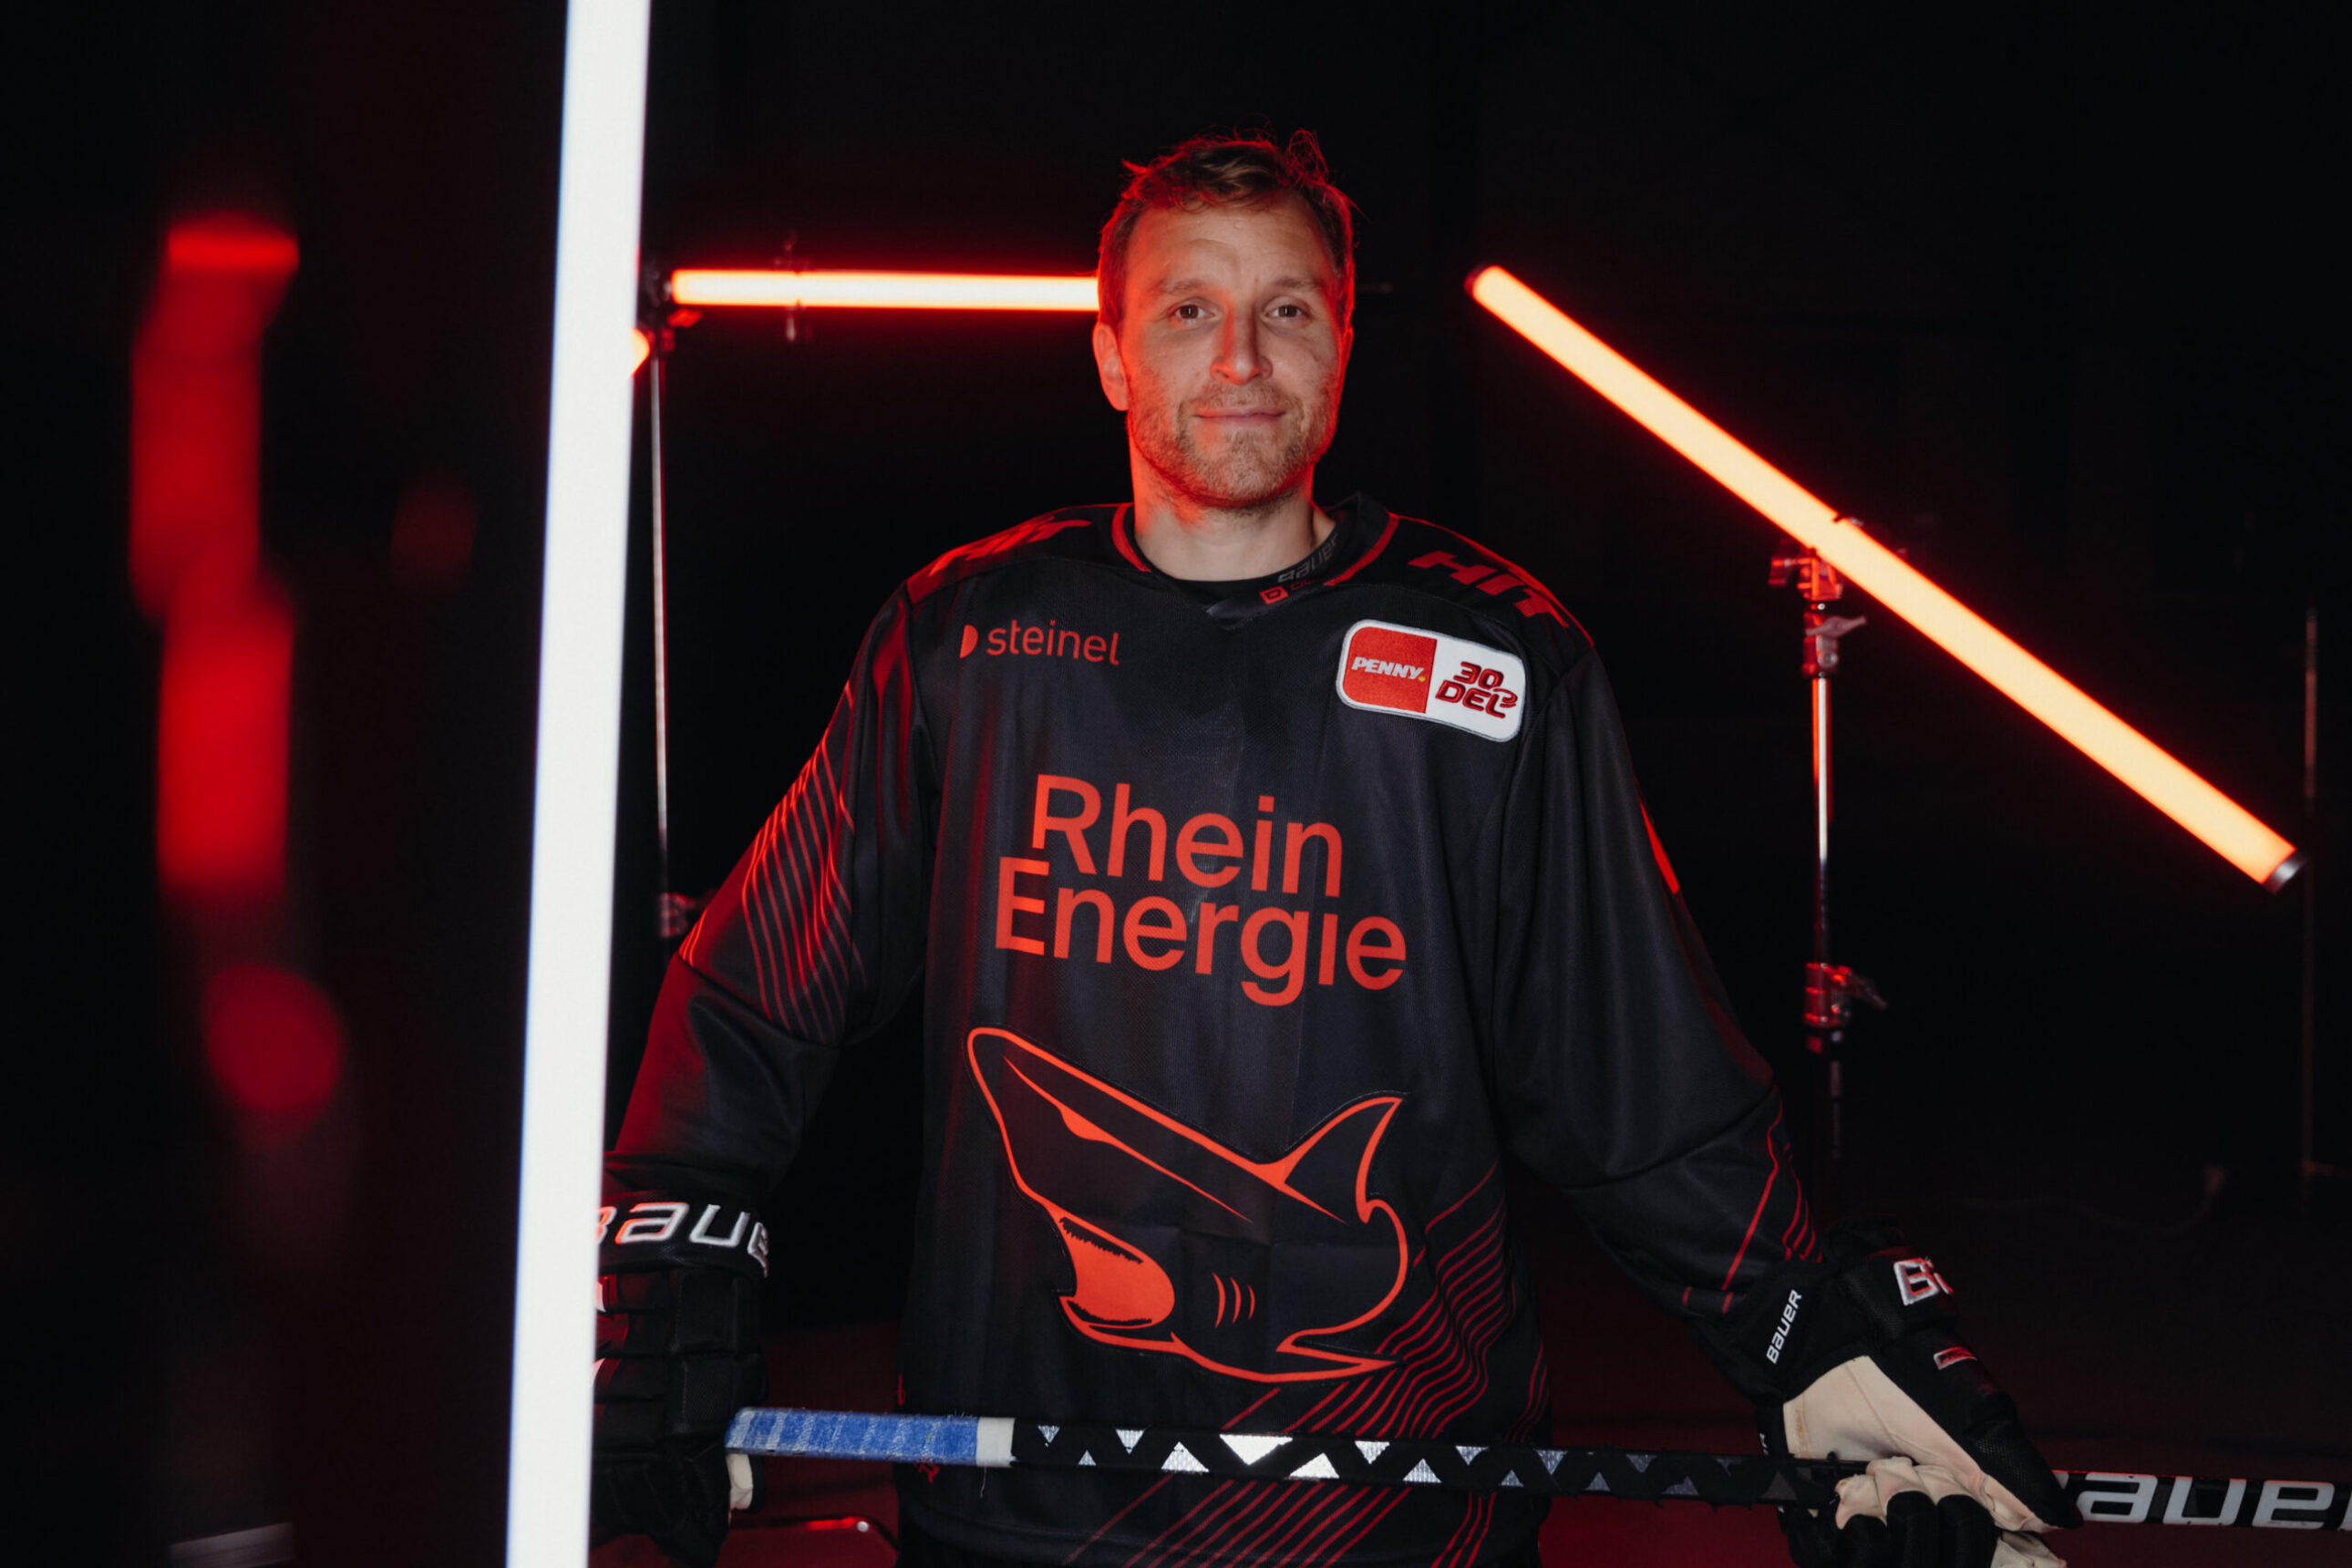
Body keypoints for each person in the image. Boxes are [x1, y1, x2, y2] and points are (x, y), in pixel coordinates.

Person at [591, 131, 2078, 1568]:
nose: (1240, 359)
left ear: (1344, 344)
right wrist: (670, 1257)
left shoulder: (1496, 658)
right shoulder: (969, 635)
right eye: (1188, 311)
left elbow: (1637, 1076)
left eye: (1287, 310)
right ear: (1111, 355)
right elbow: (759, 985)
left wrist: (1804, 1330)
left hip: (1400, 1513)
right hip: (1020, 1508)